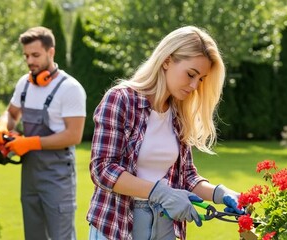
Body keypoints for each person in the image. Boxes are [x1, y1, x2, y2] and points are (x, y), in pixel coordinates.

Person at [87, 25, 244, 240]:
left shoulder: (178, 113)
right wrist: (160, 193)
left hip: (163, 228)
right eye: (191, 74)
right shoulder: (121, 99)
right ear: (167, 60)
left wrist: (220, 193)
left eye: (201, 79)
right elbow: (102, 170)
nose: (194, 85)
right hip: (117, 228)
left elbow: (187, 176)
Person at [0, 26, 86, 240]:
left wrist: (30, 143)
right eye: (26, 56)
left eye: (35, 55)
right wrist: (1, 125)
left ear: (51, 52)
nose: (30, 61)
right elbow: (12, 114)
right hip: (30, 175)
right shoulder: (24, 84)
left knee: (61, 236)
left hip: (57, 176)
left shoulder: (70, 88)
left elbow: (74, 136)